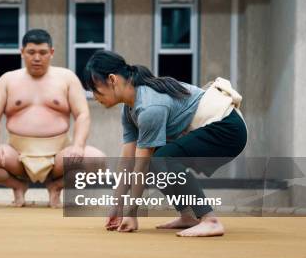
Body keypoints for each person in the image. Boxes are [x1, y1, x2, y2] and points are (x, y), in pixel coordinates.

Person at [82, 50, 247, 237]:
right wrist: (117, 205)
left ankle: (210, 220)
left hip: (228, 128)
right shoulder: (130, 109)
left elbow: (141, 165)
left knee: (161, 159)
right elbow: (127, 159)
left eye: (95, 89)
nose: (95, 96)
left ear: (112, 79)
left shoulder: (150, 107)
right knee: (158, 160)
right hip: (217, 126)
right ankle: (188, 215)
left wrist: (131, 212)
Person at [0, 29, 104, 208]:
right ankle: (17, 186)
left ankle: (56, 187)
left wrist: (78, 146)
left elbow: (83, 114)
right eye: (31, 52)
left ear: (52, 53)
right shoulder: (7, 80)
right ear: (22, 52)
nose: (37, 58)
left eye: (42, 52)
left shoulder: (67, 78)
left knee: (98, 160)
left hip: (58, 155)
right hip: (17, 154)